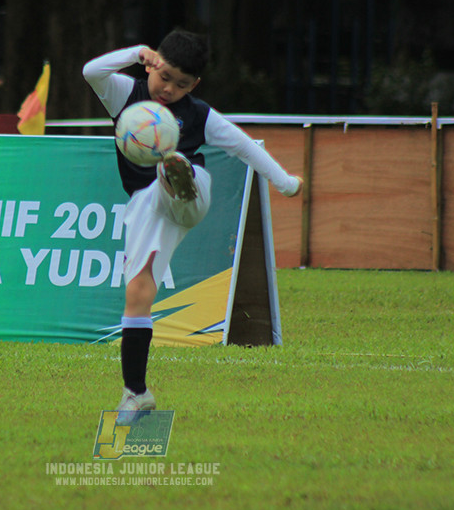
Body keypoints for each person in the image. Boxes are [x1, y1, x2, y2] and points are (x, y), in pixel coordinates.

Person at [83, 29, 302, 422]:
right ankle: (135, 393)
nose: (168, 89)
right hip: (145, 207)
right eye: (164, 77)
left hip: (192, 194)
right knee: (138, 292)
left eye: (182, 85)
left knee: (178, 170)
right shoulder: (125, 95)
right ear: (153, 64)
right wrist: (136, 53)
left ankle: (175, 171)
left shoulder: (199, 114)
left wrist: (285, 182)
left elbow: (243, 145)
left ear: (195, 85)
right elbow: (90, 71)